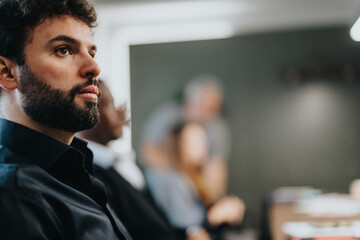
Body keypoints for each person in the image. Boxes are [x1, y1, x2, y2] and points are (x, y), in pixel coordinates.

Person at [0, 1, 131, 239]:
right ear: (7, 72)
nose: (94, 67)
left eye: (91, 52)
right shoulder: (14, 194)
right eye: (64, 50)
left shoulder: (75, 169)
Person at [77, 80, 179, 240]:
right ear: (87, 113)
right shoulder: (90, 172)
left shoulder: (120, 162)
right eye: (110, 105)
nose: (121, 112)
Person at [146, 122, 245, 240]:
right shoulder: (171, 181)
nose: (204, 145)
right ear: (179, 146)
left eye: (204, 139)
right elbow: (187, 229)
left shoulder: (198, 178)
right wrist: (213, 217)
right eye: (196, 141)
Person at [141, 74, 231, 203]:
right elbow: (150, 152)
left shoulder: (217, 128)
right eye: (208, 108)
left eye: (216, 109)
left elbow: (218, 167)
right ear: (191, 102)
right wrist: (182, 184)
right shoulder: (165, 117)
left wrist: (213, 200)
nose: (213, 114)